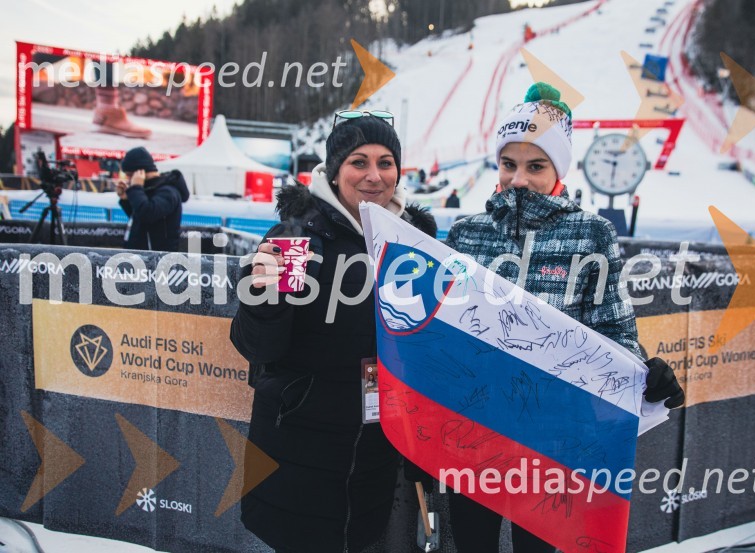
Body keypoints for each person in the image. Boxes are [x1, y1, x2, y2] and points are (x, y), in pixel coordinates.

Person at [443, 83, 684, 553]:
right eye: (509, 164)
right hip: (474, 433)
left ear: (558, 168)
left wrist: (645, 375)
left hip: (551, 439)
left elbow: (612, 329)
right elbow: (442, 329)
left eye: (536, 166)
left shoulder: (591, 232)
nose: (519, 178)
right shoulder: (467, 231)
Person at [229, 111, 437, 553]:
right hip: (299, 443)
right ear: (335, 169)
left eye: (385, 163)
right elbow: (257, 346)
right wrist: (262, 297)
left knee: (361, 537)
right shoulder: (298, 235)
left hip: (374, 447)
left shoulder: (414, 240)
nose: (373, 176)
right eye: (359, 162)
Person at [116, 146, 189, 251]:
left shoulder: (168, 192)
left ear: (139, 172)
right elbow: (139, 219)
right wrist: (127, 199)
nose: (128, 179)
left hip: (157, 261)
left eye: (129, 175)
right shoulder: (149, 189)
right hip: (141, 258)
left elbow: (147, 214)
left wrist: (136, 188)